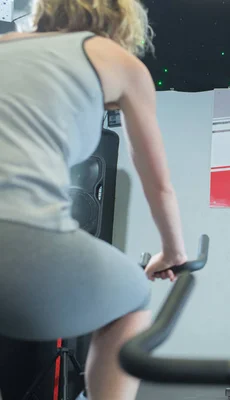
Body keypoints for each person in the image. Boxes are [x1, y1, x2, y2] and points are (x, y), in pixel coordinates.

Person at [0, 1, 188, 399]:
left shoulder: (5, 45)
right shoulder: (116, 60)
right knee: (132, 295)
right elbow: (159, 185)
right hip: (24, 243)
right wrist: (172, 252)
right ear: (120, 21)